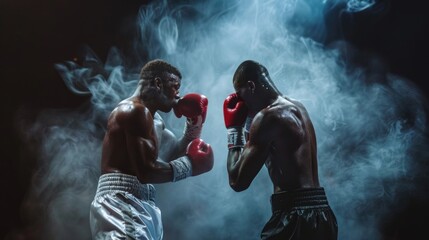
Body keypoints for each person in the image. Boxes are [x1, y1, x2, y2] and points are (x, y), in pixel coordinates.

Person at [90, 59, 214, 240]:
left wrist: (194, 126)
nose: (178, 94)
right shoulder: (133, 110)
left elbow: (173, 156)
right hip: (122, 202)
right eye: (175, 86)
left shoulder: (156, 121)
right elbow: (146, 171)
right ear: (158, 83)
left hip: (139, 204)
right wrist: (189, 166)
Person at [223, 60, 338, 240]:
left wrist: (234, 130)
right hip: (322, 214)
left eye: (240, 94)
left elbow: (237, 182)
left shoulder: (267, 117)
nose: (240, 102)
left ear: (251, 86)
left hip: (293, 217)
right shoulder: (298, 107)